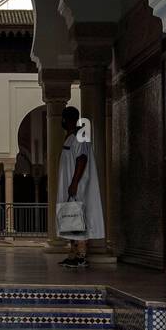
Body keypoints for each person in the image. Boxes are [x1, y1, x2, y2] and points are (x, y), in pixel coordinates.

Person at [56, 106, 105, 270]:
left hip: (78, 187)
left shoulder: (80, 136)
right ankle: (73, 254)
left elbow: (82, 159)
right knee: (70, 220)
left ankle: (81, 256)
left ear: (67, 119)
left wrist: (75, 183)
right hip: (70, 187)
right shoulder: (70, 138)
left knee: (79, 220)